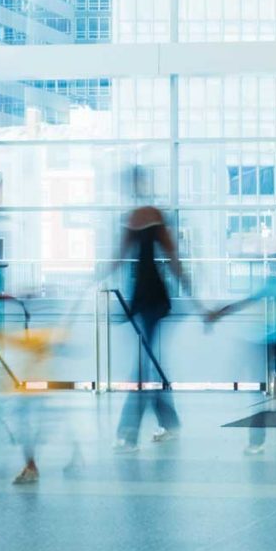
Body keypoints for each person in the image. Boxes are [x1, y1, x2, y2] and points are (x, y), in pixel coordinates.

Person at [111, 168, 189, 448]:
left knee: (145, 367)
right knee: (148, 365)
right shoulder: (137, 217)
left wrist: (190, 288)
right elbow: (120, 257)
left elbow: (170, 255)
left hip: (151, 296)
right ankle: (168, 422)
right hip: (144, 296)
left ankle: (129, 431)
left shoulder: (150, 215)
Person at [205, 257, 276, 453]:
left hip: (271, 343)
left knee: (266, 391)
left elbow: (244, 303)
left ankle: (258, 440)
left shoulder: (274, 287)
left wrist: (218, 313)